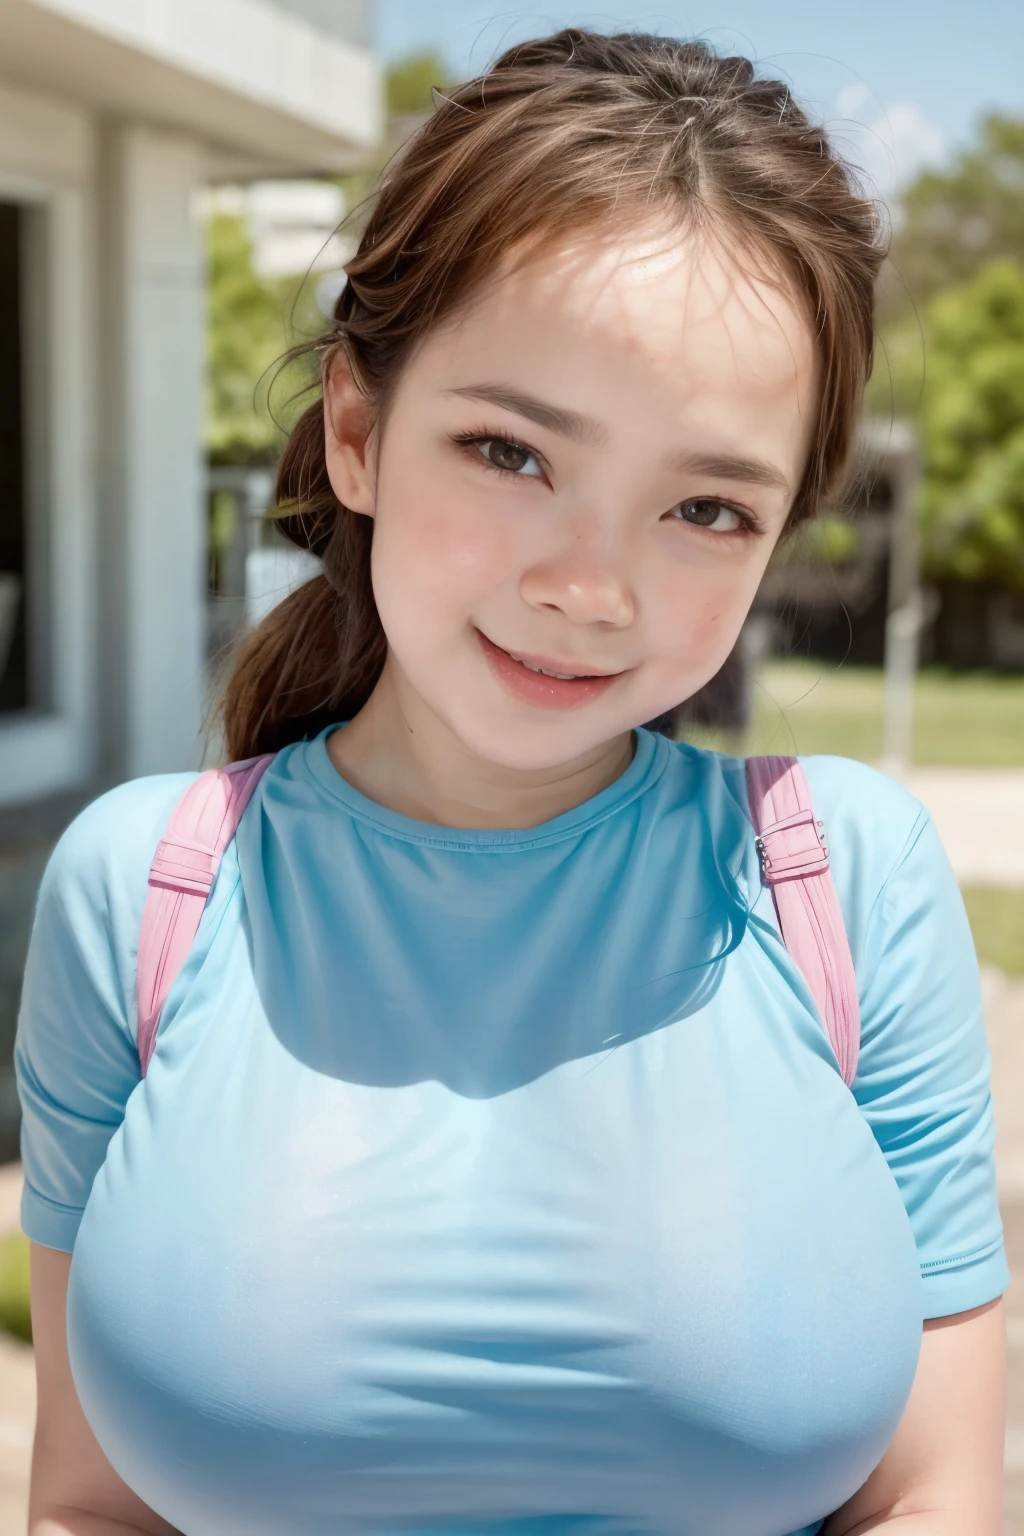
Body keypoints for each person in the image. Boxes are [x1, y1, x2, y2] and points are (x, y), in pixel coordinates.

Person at [16, 29, 1006, 1536]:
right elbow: (91, 1506)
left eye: (705, 507)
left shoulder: (847, 884)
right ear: (358, 429)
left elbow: (943, 1497)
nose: (592, 588)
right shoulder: (144, 891)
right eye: (510, 451)